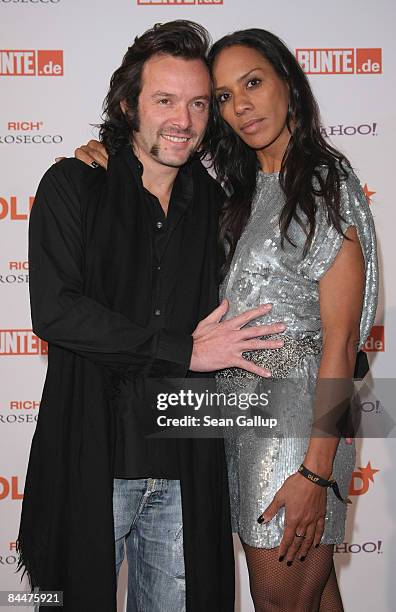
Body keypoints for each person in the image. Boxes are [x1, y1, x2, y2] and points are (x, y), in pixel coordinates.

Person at [17, 21, 287, 612]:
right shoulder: (73, 186)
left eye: (196, 104)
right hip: (93, 458)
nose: (183, 121)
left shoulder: (216, 206)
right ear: (126, 103)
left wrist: (335, 369)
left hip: (186, 467)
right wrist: (182, 350)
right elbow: (57, 312)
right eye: (164, 101)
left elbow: (267, 299)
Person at [204, 29, 378, 611]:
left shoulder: (324, 182)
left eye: (252, 82)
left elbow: (341, 340)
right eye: (224, 96)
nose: (240, 106)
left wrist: (316, 474)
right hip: (245, 422)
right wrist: (104, 151)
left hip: (296, 433)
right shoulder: (247, 188)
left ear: (289, 85)